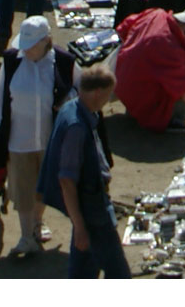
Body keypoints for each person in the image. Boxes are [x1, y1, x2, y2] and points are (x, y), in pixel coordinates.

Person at [0, 15, 68, 262]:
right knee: (23, 189)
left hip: (49, 139)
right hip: (19, 139)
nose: (26, 50)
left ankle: (37, 223)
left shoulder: (64, 62)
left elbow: (75, 95)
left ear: (46, 41)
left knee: (44, 188)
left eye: (32, 45)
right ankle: (27, 236)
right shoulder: (12, 62)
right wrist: (0, 130)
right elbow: (0, 97)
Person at [44, 64, 127, 278]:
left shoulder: (74, 109)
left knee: (83, 270)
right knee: (118, 273)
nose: (109, 100)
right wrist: (80, 226)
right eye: (108, 95)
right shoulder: (76, 126)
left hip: (90, 204)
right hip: (93, 208)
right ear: (98, 93)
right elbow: (66, 180)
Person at [114, 3, 185, 132]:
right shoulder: (170, 46)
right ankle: (174, 120)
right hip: (138, 92)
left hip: (121, 84)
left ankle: (135, 109)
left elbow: (123, 28)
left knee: (180, 64)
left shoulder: (156, 14)